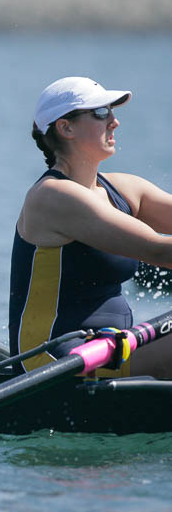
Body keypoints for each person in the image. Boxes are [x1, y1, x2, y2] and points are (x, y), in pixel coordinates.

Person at [10, 76, 172, 377]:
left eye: (112, 111)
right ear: (66, 127)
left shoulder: (124, 189)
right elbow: (159, 251)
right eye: (100, 113)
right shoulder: (53, 197)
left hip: (112, 347)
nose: (114, 122)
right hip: (52, 360)